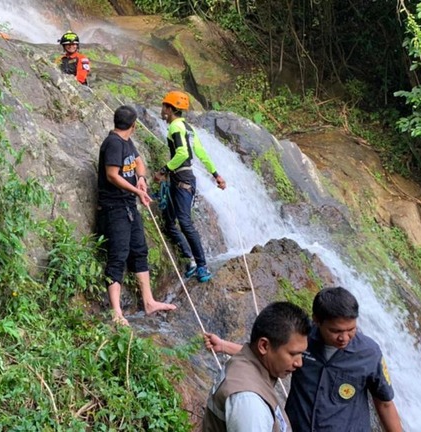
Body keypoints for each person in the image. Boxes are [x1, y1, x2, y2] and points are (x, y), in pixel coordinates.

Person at [205, 287, 403, 432]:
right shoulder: (302, 341)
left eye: (351, 330)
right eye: (336, 331)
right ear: (317, 321)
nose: (344, 338)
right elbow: (271, 353)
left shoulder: (369, 353)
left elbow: (385, 403)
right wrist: (224, 346)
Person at [96, 105, 177, 325]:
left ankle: (149, 301)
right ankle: (116, 312)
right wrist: (137, 190)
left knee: (139, 251)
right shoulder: (113, 143)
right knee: (118, 256)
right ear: (134, 125)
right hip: (114, 209)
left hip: (129, 207)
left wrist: (140, 178)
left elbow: (138, 162)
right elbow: (112, 175)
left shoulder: (126, 142)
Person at [202, 301, 311, 432]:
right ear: (264, 346)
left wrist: (224, 346)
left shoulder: (244, 364)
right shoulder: (250, 404)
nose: (299, 363)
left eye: (302, 354)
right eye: (293, 354)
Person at [154, 90, 226, 283]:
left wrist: (163, 170)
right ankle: (191, 259)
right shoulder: (188, 129)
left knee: (184, 223)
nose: (162, 110)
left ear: (170, 109)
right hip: (183, 180)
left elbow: (183, 153)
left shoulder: (175, 128)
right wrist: (216, 175)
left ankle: (202, 265)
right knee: (169, 222)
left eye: (164, 106)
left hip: (182, 181)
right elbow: (201, 154)